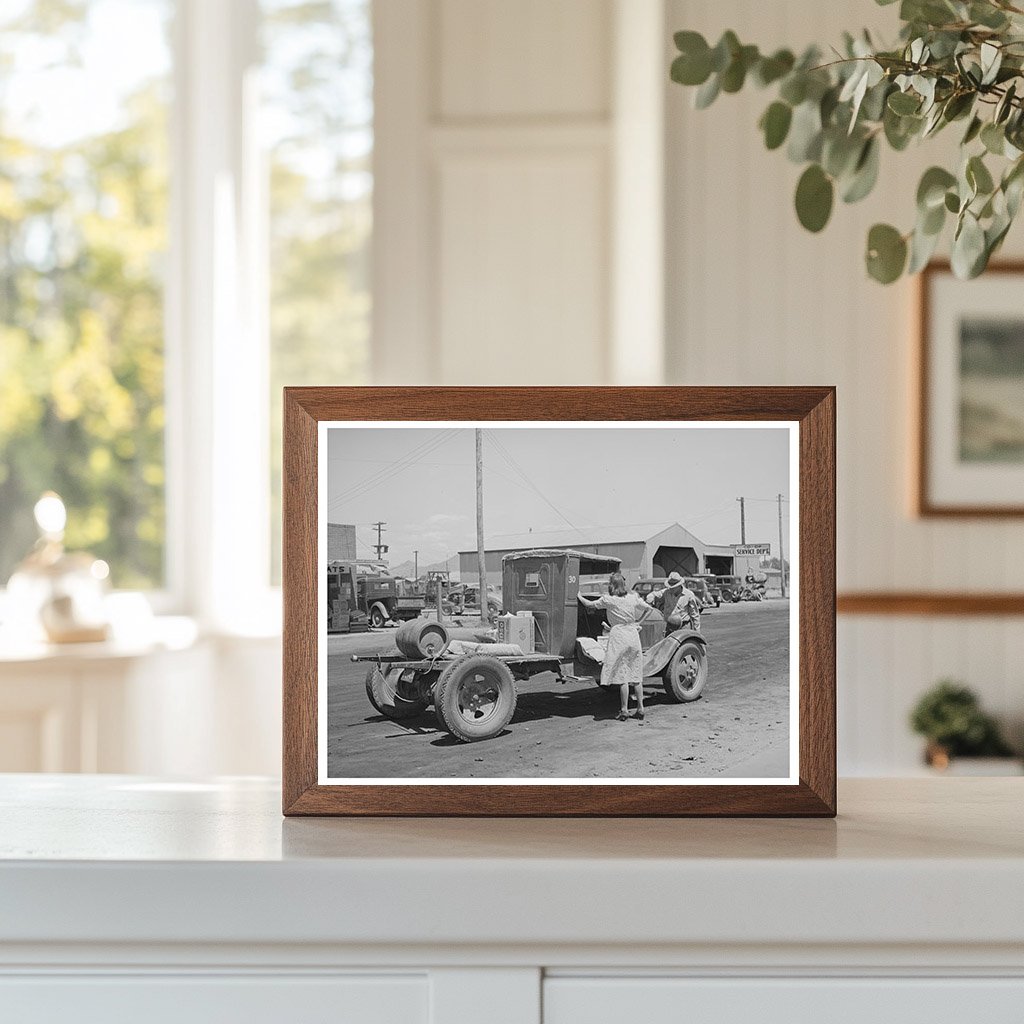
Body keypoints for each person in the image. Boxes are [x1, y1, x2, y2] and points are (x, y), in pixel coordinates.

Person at [577, 572, 651, 721]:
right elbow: (649, 609)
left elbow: (589, 605)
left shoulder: (609, 599)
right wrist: (638, 622)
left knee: (622, 675)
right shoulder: (632, 597)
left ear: (612, 585)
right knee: (636, 674)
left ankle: (624, 710)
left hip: (619, 636)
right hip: (633, 634)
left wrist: (579, 595)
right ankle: (640, 708)